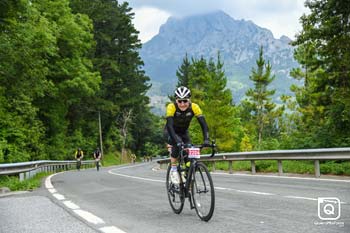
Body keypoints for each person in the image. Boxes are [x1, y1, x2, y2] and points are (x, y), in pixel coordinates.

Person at [165, 86, 210, 184]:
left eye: (185, 101)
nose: (182, 104)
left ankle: (188, 178)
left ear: (189, 100)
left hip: (184, 132)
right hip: (171, 131)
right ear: (176, 100)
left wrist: (206, 139)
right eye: (179, 101)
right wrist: (176, 141)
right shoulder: (171, 107)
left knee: (189, 155)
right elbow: (169, 125)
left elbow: (204, 124)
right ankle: (173, 170)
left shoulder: (194, 107)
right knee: (177, 145)